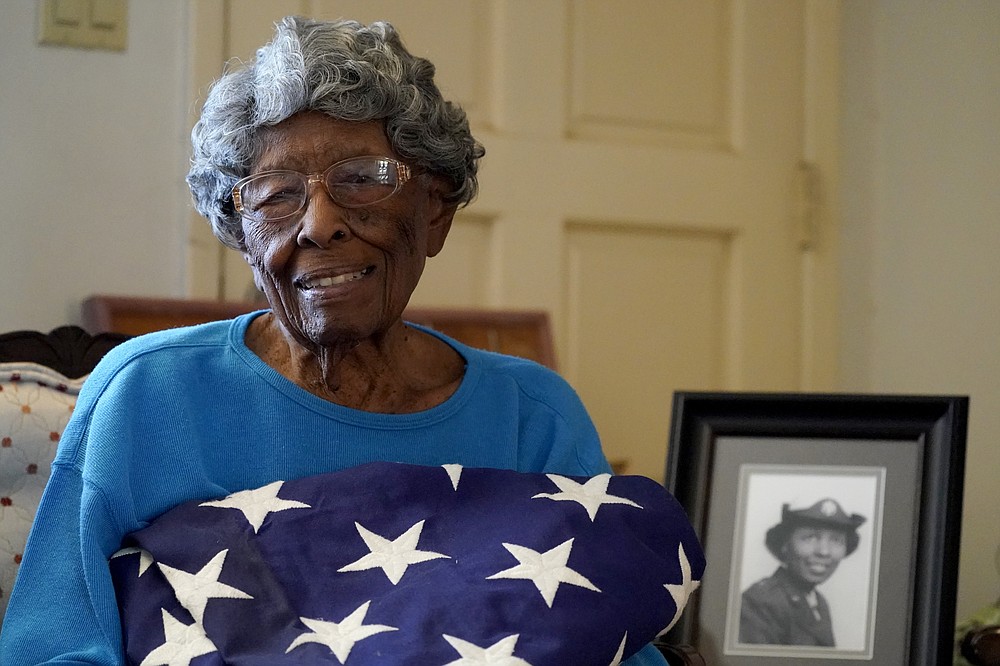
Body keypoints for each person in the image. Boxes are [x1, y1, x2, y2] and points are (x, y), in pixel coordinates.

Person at [0, 17, 672, 665]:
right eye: (276, 194)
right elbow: (54, 644)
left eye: (361, 179)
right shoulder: (148, 393)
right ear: (241, 234)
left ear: (434, 211)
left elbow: (609, 642)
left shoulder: (533, 416)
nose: (319, 225)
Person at [739, 497, 866, 647]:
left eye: (836, 540)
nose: (824, 551)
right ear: (785, 544)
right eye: (810, 537)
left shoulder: (819, 603)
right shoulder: (760, 602)